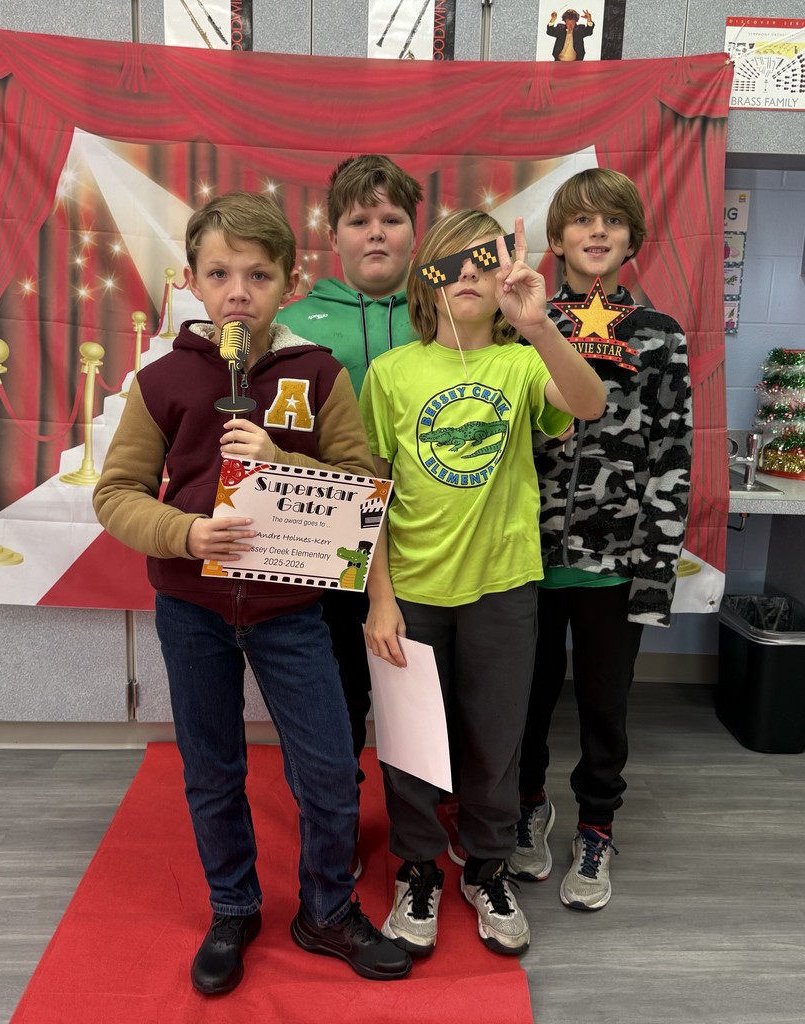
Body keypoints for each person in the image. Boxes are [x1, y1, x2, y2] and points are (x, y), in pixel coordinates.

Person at [92, 191, 412, 994]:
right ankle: (233, 907)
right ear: (192, 281)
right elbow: (116, 494)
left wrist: (281, 460)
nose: (239, 292)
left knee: (329, 771)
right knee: (212, 770)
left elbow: (363, 486)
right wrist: (185, 533)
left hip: (290, 611)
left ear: (289, 283)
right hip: (192, 610)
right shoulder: (162, 380)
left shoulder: (318, 373)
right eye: (219, 274)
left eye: (259, 275)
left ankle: (326, 909)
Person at [360, 211, 606, 958]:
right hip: (413, 590)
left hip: (503, 587)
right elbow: (372, 490)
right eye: (449, 263)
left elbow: (588, 403)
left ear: (503, 275)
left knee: (496, 739)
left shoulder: (520, 363)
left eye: (483, 261)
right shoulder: (390, 373)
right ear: (425, 281)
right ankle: (417, 867)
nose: (466, 274)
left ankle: (487, 865)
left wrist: (538, 326)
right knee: (411, 745)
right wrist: (379, 599)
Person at [508, 168, 692, 911]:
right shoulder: (524, 321)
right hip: (524, 558)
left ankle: (595, 827)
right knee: (524, 701)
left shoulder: (658, 335)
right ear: (555, 238)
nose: (596, 232)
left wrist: (654, 571)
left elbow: (672, 453)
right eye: (581, 220)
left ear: (631, 239)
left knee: (603, 705)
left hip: (614, 564)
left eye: (611, 221)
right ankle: (527, 805)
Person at [277, 154, 424, 875]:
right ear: (332, 234)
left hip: (427, 539)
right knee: (333, 695)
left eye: (391, 219)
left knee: (415, 691)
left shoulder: (448, 318)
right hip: (324, 540)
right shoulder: (289, 324)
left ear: (414, 232)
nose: (376, 233)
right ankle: (334, 817)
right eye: (360, 220)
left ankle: (421, 825)